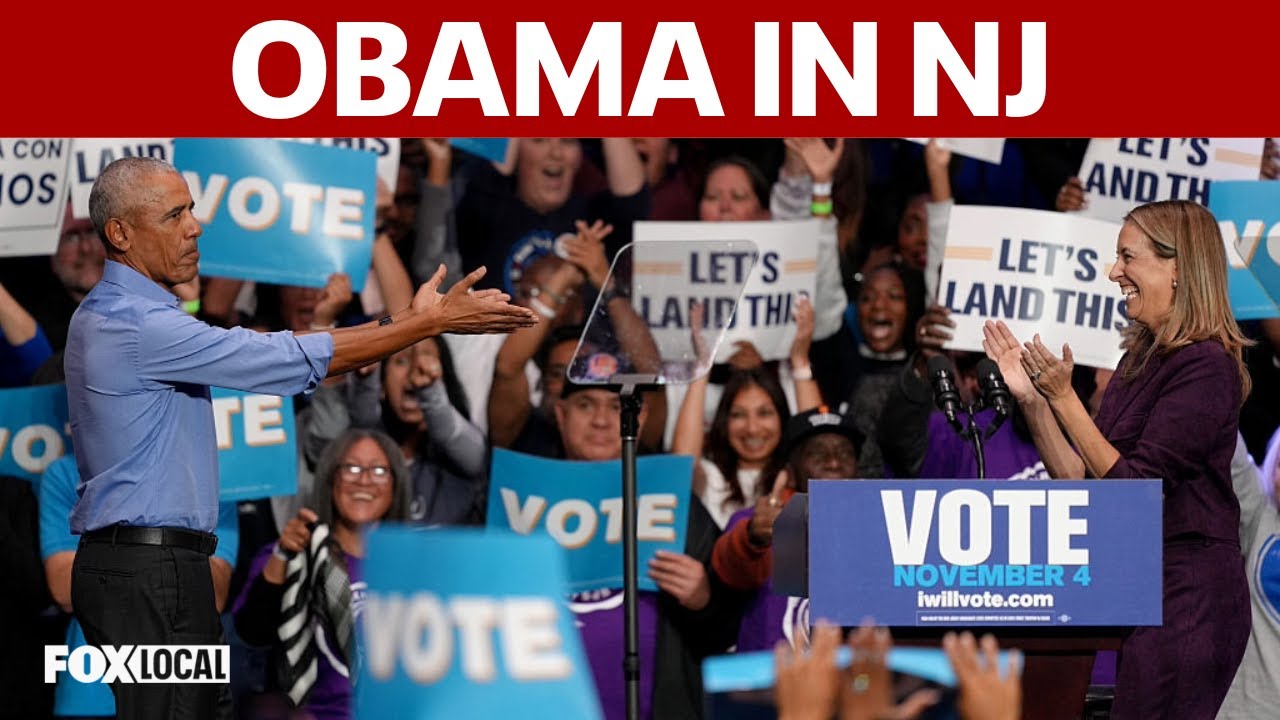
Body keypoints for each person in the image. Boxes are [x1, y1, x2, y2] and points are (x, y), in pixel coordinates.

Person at [63, 156, 536, 720]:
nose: (195, 226)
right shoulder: (134, 324)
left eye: (190, 208)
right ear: (119, 233)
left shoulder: (127, 317)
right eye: (173, 215)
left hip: (152, 572)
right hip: (149, 575)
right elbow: (282, 359)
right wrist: (420, 325)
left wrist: (406, 321)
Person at [982, 199, 1252, 719]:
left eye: (1128, 257)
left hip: (1187, 597)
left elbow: (1133, 492)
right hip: (1137, 590)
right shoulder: (1138, 361)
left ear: (1177, 268)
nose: (1113, 273)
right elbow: (1084, 482)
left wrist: (1066, 397)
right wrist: (1034, 400)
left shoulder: (1206, 366)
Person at [233, 429, 412, 720]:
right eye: (351, 468)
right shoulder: (292, 551)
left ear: (396, 484)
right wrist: (283, 557)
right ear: (331, 478)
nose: (364, 479)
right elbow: (252, 630)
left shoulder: (418, 562)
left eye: (379, 470)